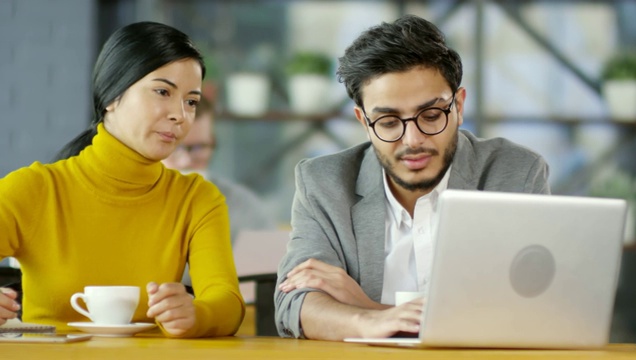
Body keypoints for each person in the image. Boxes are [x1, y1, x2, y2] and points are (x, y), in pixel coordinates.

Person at [274, 14, 550, 341]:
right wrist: (372, 322)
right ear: (364, 122)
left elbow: (528, 311)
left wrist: (372, 309)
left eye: (431, 116)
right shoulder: (324, 183)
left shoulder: (515, 173)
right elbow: (295, 303)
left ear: (458, 106)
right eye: (389, 122)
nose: (412, 140)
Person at [0, 21, 244, 338]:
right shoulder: (33, 190)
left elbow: (227, 301)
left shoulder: (197, 198)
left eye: (191, 101)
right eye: (162, 92)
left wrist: (197, 313)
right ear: (112, 97)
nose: (180, 115)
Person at [162, 96, 277, 245]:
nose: (186, 161)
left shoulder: (242, 207)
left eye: (199, 147)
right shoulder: (130, 205)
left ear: (213, 143)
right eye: (175, 147)